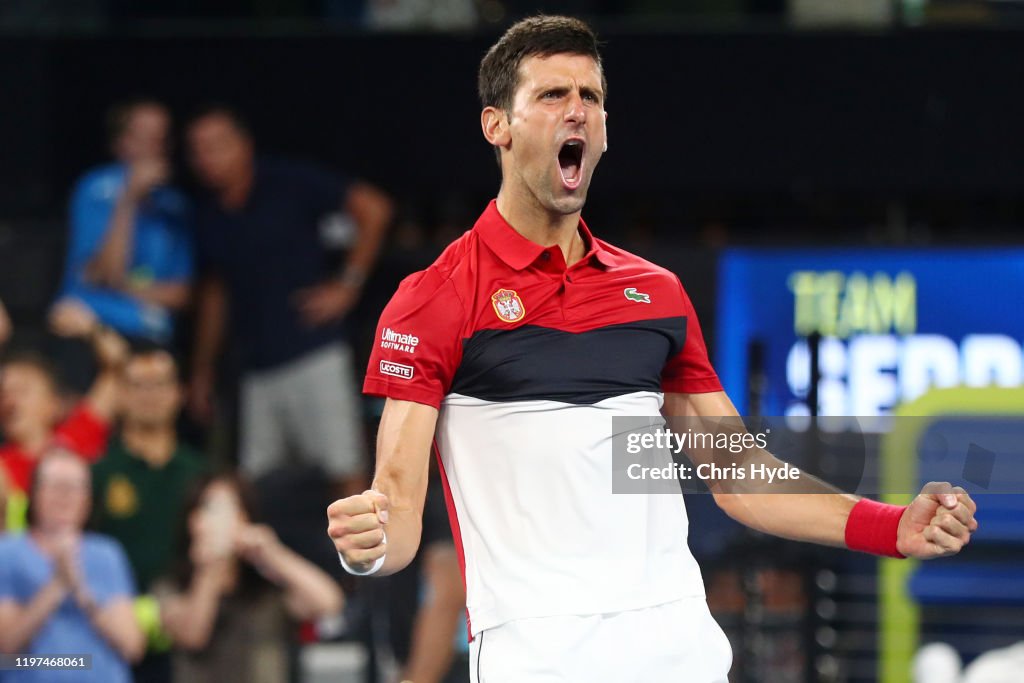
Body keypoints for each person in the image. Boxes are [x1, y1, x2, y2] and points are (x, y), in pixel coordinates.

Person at [327, 15, 980, 683]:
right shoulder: (432, 298)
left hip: (677, 646)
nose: (576, 110)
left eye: (591, 97)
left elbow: (741, 472)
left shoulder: (656, 293)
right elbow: (398, 507)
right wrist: (366, 548)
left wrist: (890, 526)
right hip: (539, 656)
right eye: (552, 95)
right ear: (498, 125)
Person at [186, 106, 393, 495]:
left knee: (343, 467)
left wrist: (347, 284)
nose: (207, 158)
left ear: (243, 146)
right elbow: (216, 294)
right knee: (254, 484)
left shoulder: (288, 182)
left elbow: (374, 207)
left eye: (217, 146)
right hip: (254, 366)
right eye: (197, 150)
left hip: (312, 349)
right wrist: (202, 367)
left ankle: (353, 556)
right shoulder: (208, 212)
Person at [156, 473, 344, 683]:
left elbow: (328, 603)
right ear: (193, 521)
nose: (221, 521)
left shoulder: (268, 589)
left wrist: (273, 553)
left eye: (231, 509)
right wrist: (209, 567)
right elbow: (192, 636)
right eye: (211, 509)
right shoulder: (171, 585)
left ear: (246, 518)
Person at [0, 449, 145, 682]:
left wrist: (81, 589)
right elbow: (5, 648)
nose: (65, 495)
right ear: (35, 492)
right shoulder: (7, 552)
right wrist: (57, 584)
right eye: (56, 485)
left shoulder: (107, 553)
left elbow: (132, 646)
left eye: (76, 486)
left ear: (88, 499)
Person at [57, 99, 193, 345]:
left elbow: (183, 295)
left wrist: (124, 287)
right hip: (94, 329)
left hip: (152, 334)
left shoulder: (174, 204)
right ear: (121, 142)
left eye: (162, 137)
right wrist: (129, 199)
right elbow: (105, 273)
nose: (155, 146)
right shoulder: (97, 188)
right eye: (144, 136)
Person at [0, 299, 128, 530]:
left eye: (22, 390)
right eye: (3, 393)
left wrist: (91, 328)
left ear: (55, 403)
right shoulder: (2, 463)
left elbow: (117, 367)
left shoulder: (79, 435)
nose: (10, 400)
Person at [91, 346, 207, 593]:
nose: (150, 395)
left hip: (186, 608)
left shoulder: (202, 473)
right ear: (120, 395)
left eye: (160, 384)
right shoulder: (97, 473)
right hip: (114, 613)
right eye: (138, 385)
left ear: (180, 393)